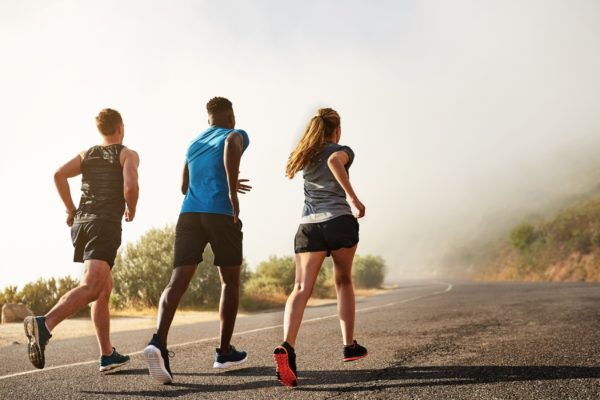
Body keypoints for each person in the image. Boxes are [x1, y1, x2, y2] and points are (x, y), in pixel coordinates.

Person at [144, 97, 251, 384]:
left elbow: (183, 186)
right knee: (229, 281)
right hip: (220, 213)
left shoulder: (194, 143)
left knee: (176, 281)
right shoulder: (235, 134)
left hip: (189, 214)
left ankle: (158, 342)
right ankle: (224, 352)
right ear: (231, 116)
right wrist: (231, 190)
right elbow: (231, 145)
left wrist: (215, 180)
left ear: (208, 119)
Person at [24, 108, 140, 372]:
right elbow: (131, 187)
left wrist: (71, 209)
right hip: (103, 224)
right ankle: (45, 325)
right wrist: (131, 207)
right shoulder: (127, 154)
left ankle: (107, 354)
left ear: (101, 130)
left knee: (103, 287)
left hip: (82, 224)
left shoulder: (87, 154)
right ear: (120, 128)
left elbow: (58, 175)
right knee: (91, 286)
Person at [273, 108, 368, 387]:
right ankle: (349, 345)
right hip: (338, 221)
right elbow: (335, 161)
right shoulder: (340, 150)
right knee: (343, 281)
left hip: (308, 227)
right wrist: (354, 198)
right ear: (336, 130)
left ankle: (287, 346)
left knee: (301, 288)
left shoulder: (305, 153)